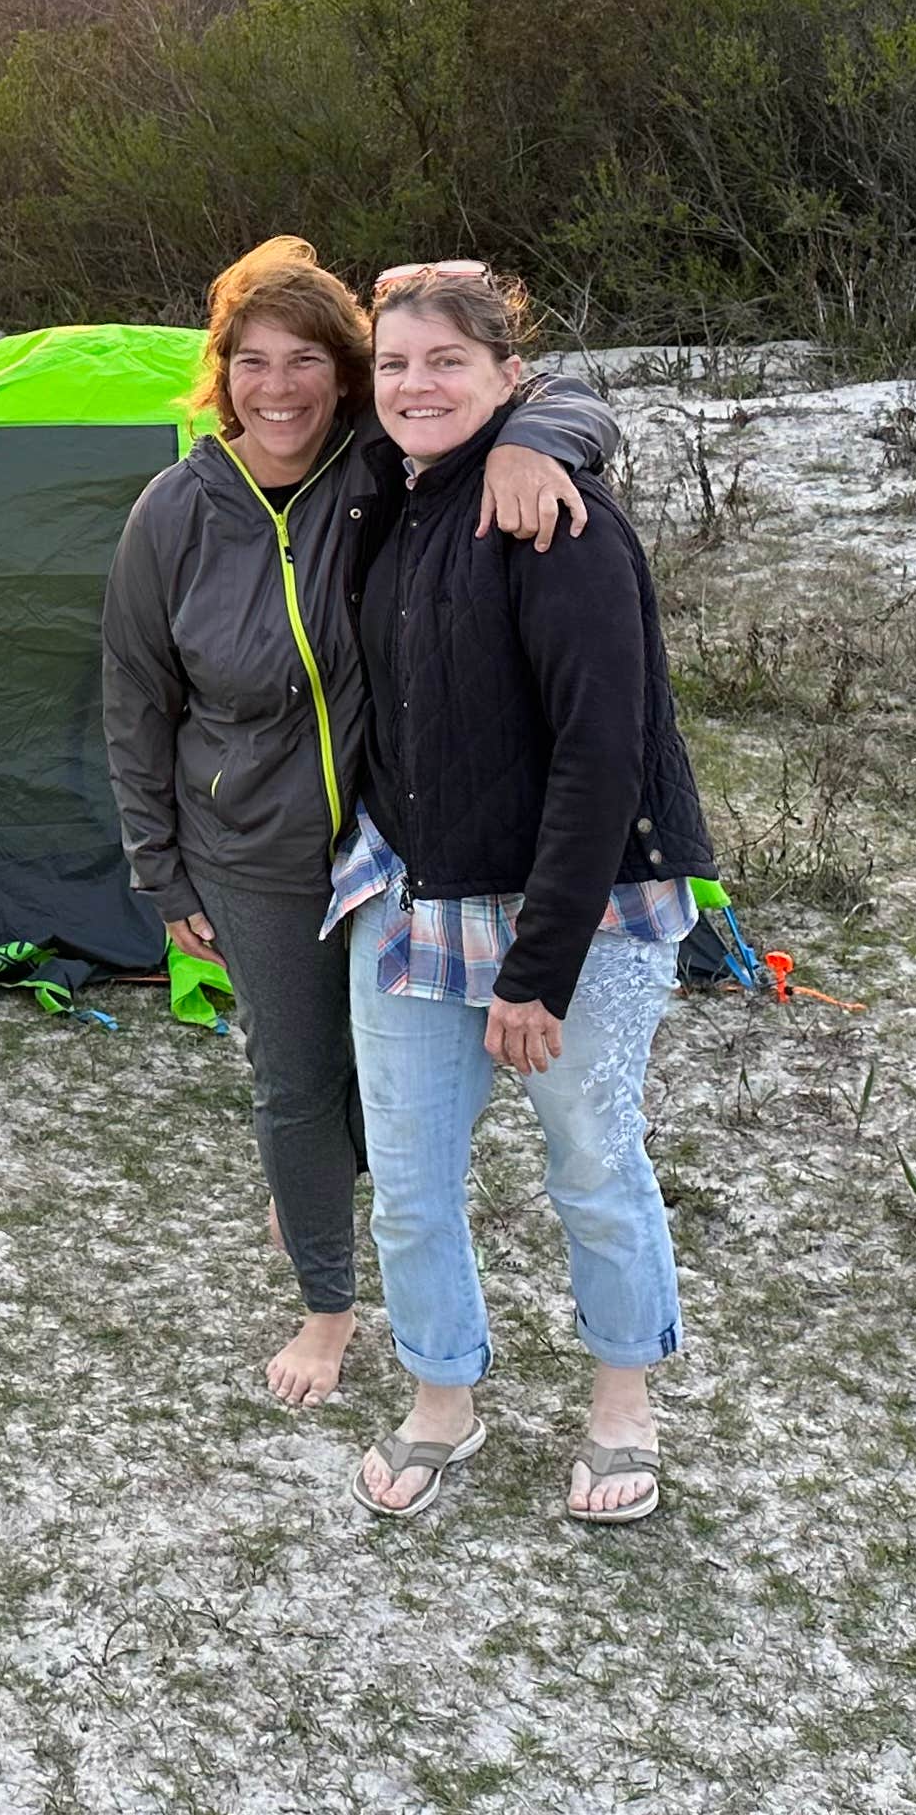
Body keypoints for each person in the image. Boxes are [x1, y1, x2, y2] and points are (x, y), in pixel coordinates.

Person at [100, 238, 617, 1409]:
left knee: (379, 1090)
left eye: (303, 363)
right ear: (219, 372)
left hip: (393, 844)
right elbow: (132, 701)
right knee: (294, 1078)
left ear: (344, 373)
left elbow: (554, 391)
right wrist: (160, 870)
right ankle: (328, 1307)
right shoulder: (173, 514)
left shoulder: (382, 466)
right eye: (250, 362)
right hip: (252, 853)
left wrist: (535, 443)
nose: (276, 389)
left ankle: (321, 1186)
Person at [339, 260, 710, 1526]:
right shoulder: (391, 496)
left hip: (572, 914)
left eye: (446, 360)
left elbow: (602, 755)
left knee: (594, 1160)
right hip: (409, 899)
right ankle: (443, 1393)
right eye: (393, 362)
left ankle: (623, 1400)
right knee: (409, 1176)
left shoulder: (557, 518)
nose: (414, 384)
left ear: (509, 378)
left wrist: (535, 968)